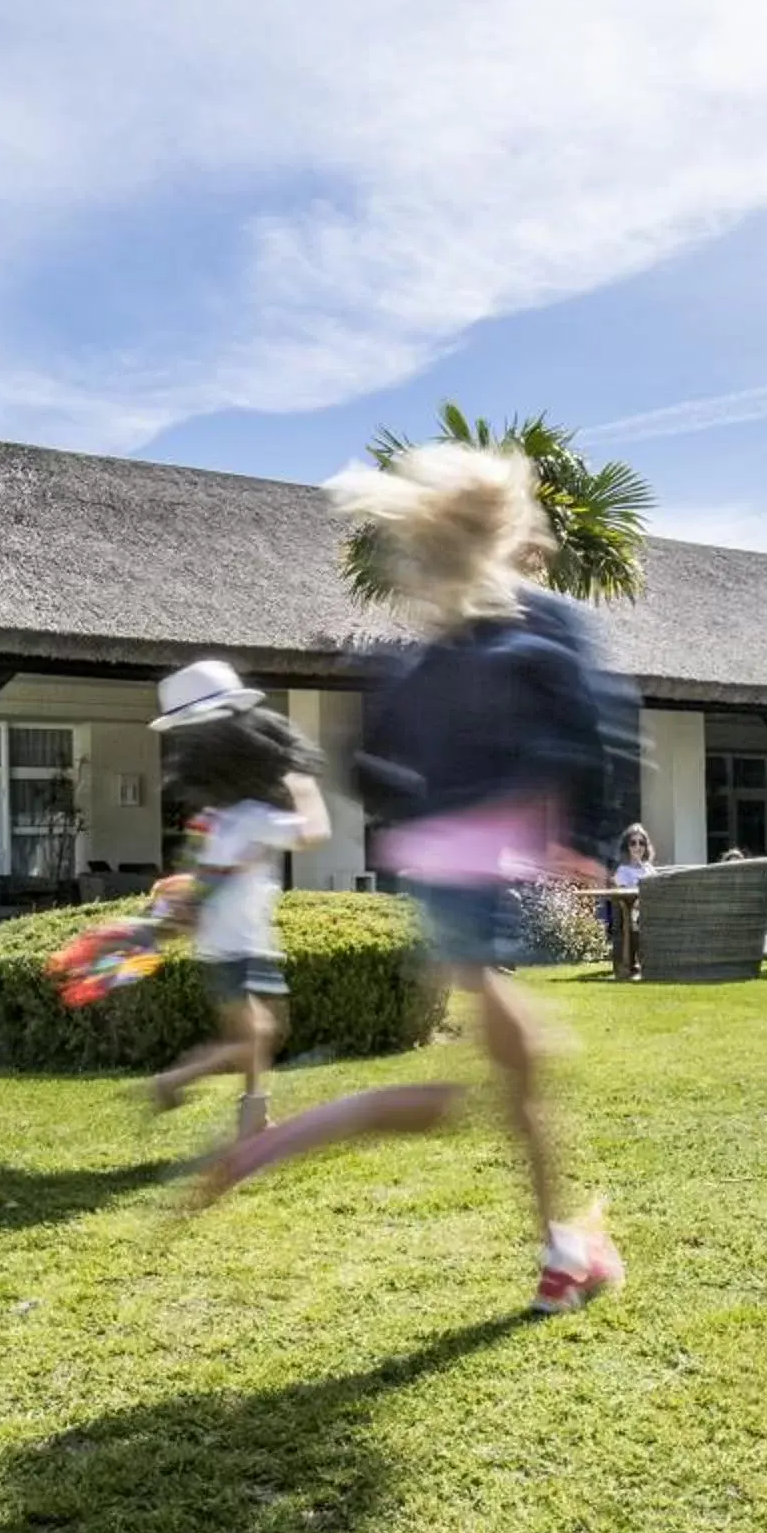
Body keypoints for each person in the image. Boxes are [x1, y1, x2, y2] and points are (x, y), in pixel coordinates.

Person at [193, 440, 625, 1316]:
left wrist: (437, 806)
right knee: (497, 1085)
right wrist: (578, 836)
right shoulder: (541, 629)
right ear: (508, 529)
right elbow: (593, 730)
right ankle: (282, 1143)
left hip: (436, 866)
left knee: (516, 1074)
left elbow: (370, 766)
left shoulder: (420, 660)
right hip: (487, 862)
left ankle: (561, 1250)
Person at [144, 665, 333, 1140]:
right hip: (238, 944)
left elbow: (200, 878)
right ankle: (176, 1079)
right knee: (258, 1035)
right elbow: (315, 833)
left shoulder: (215, 817)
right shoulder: (249, 817)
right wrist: (303, 784)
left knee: (261, 1031)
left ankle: (254, 1117)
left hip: (232, 941)